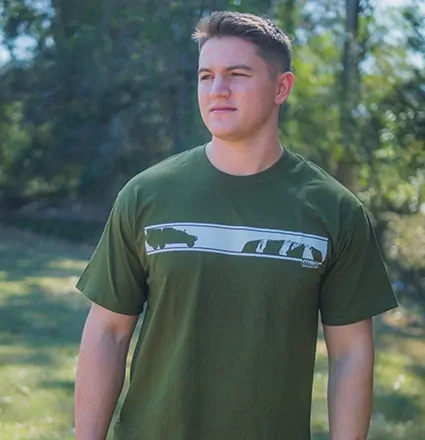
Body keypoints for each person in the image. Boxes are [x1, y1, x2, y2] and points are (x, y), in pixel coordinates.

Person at [74, 10, 398, 440]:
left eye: (237, 74)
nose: (217, 90)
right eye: (206, 76)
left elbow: (351, 353)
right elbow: (108, 334)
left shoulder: (334, 209)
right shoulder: (145, 195)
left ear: (282, 87)